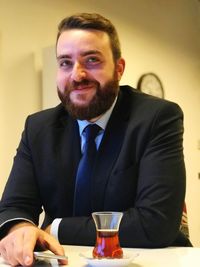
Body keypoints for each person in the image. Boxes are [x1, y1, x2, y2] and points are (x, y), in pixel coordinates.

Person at [0, 12, 191, 266]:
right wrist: (20, 229)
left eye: (91, 60)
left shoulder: (158, 118)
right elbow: (13, 207)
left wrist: (54, 228)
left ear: (119, 68)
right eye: (65, 63)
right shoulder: (38, 127)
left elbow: (155, 223)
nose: (77, 75)